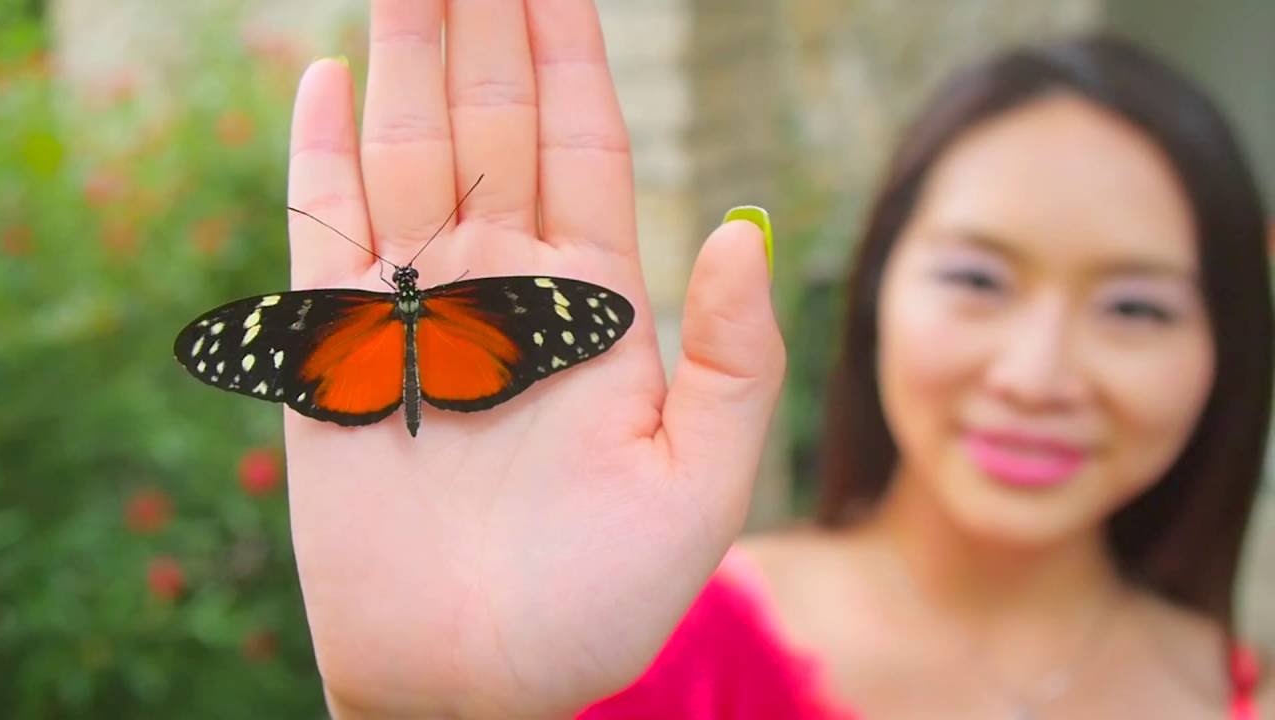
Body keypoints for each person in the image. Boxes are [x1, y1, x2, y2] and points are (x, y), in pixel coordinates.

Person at [280, 1, 1270, 717]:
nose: (1035, 372)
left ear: (1224, 346)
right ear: (874, 290)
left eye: (1133, 306)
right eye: (977, 281)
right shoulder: (652, 650)